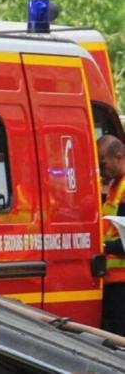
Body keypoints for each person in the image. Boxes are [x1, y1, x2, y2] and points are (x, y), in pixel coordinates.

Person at [97, 135, 125, 336]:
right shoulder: (116, 185)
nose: (100, 168)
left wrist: (102, 247)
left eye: (103, 162)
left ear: (119, 156)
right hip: (113, 280)